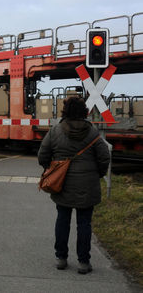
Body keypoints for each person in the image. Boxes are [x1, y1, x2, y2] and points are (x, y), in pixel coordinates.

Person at [38, 96, 110, 274]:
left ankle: (61, 258)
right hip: (88, 185)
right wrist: (97, 174)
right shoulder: (92, 132)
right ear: (84, 112)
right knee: (84, 223)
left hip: (62, 184)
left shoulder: (55, 131)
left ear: (65, 111)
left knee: (62, 220)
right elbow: (104, 157)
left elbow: (42, 155)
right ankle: (84, 262)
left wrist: (52, 168)